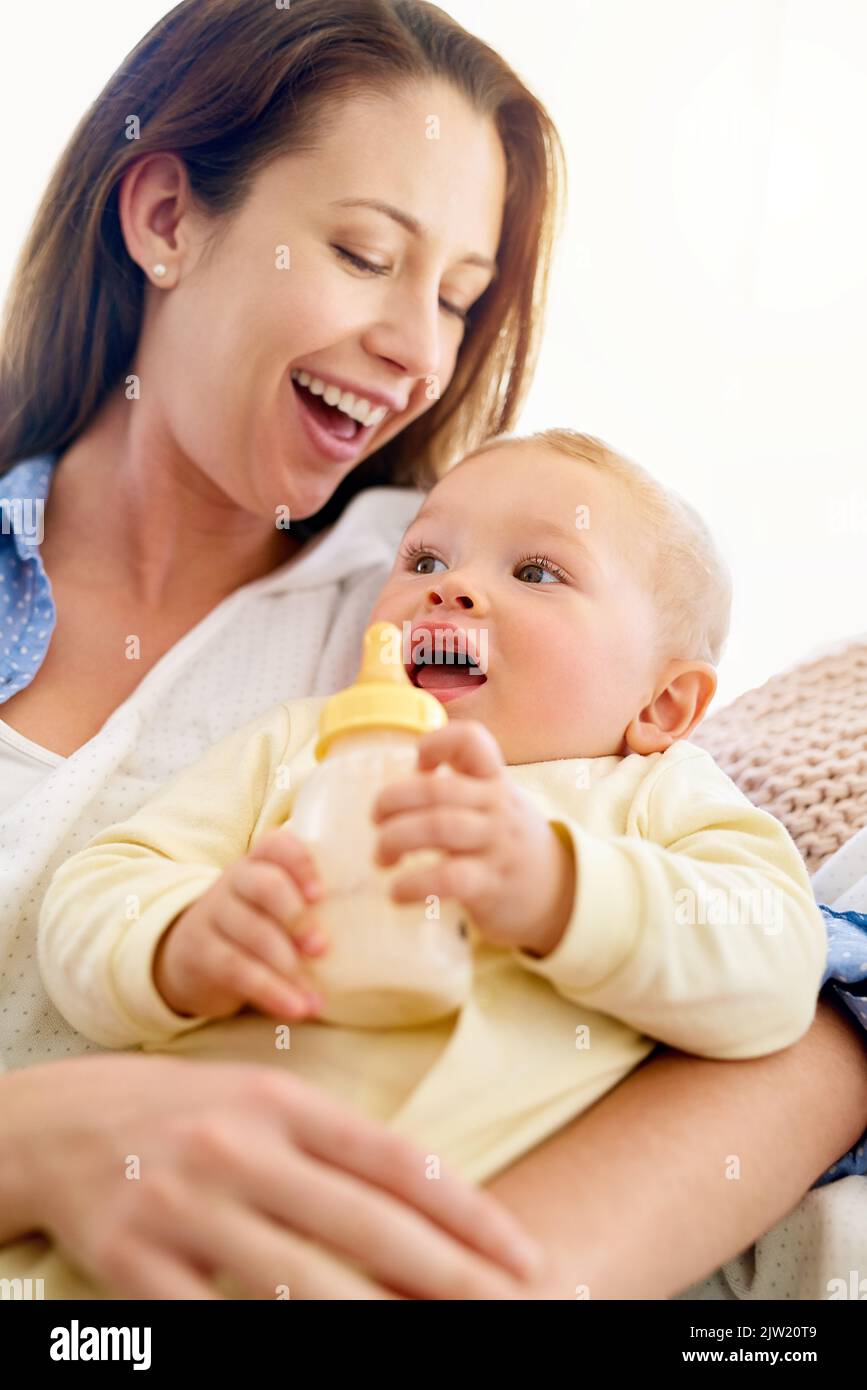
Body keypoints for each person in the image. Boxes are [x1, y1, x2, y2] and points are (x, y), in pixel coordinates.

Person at [1, 0, 865, 1301]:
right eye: (362, 252)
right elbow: (122, 888)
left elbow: (796, 978)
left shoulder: (497, 648)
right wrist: (57, 1121)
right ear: (167, 219)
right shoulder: (338, 697)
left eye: (460, 298)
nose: (418, 352)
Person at [24, 430, 831, 1298]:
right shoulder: (302, 743)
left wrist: (563, 893)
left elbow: (777, 961)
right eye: (423, 558)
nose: (451, 587)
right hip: (162, 1227)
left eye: (535, 572)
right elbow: (102, 884)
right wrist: (177, 942)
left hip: (438, 1246)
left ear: (662, 704)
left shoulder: (654, 795)